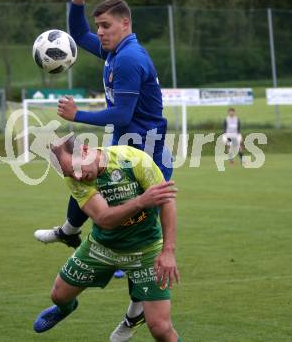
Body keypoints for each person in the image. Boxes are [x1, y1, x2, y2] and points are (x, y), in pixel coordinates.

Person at [34, 0, 173, 339]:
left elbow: (124, 113)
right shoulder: (116, 50)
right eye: (99, 27)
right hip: (125, 143)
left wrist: (78, 114)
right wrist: (77, 1)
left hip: (146, 150)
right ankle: (68, 231)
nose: (99, 34)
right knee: (82, 175)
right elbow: (77, 34)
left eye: (105, 27)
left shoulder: (129, 59)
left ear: (124, 24)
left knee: (141, 238)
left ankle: (133, 315)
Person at [33, 136, 181, 342]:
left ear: (84, 150)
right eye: (69, 173)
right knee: (58, 296)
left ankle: (135, 318)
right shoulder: (75, 178)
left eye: (75, 169)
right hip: (102, 247)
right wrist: (140, 201)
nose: (76, 177)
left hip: (145, 250)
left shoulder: (133, 159)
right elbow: (104, 219)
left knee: (160, 328)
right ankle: (66, 309)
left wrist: (168, 251)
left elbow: (167, 202)